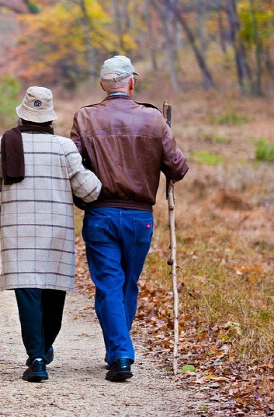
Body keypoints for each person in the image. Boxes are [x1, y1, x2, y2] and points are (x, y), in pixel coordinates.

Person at [70, 55, 189, 382]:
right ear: (131, 83)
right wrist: (163, 137)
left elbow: (71, 164)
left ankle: (119, 353)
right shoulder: (153, 119)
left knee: (109, 284)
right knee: (126, 283)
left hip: (100, 213)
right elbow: (178, 168)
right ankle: (120, 352)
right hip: (140, 218)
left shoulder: (85, 117)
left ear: (102, 85)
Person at [0, 86, 102, 382]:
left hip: (18, 234)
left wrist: (0, 221)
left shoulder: (3, 144)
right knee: (52, 293)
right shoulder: (64, 147)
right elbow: (90, 191)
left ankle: (37, 358)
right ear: (50, 119)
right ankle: (43, 350)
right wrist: (94, 171)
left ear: (21, 115)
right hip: (56, 232)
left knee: (28, 294)